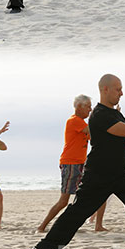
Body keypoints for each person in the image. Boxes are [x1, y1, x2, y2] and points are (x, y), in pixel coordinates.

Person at [34, 74, 125, 249]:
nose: (121, 93)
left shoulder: (115, 113)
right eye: (118, 89)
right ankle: (45, 248)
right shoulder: (99, 115)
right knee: (78, 212)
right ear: (105, 89)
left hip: (119, 172)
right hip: (99, 174)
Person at [38, 95, 92, 233]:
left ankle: (95, 225)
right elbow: (92, 131)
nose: (90, 110)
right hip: (70, 164)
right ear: (79, 106)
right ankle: (42, 227)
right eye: (88, 107)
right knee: (63, 201)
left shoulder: (82, 123)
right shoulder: (74, 121)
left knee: (87, 196)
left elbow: (95, 136)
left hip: (80, 164)